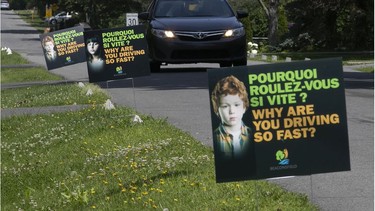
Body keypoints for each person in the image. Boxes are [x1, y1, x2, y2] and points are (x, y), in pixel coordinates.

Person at [210, 75, 256, 182]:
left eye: (236, 105)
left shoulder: (254, 136)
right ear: (217, 110)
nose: (232, 111)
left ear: (244, 107)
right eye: (225, 106)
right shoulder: (216, 138)